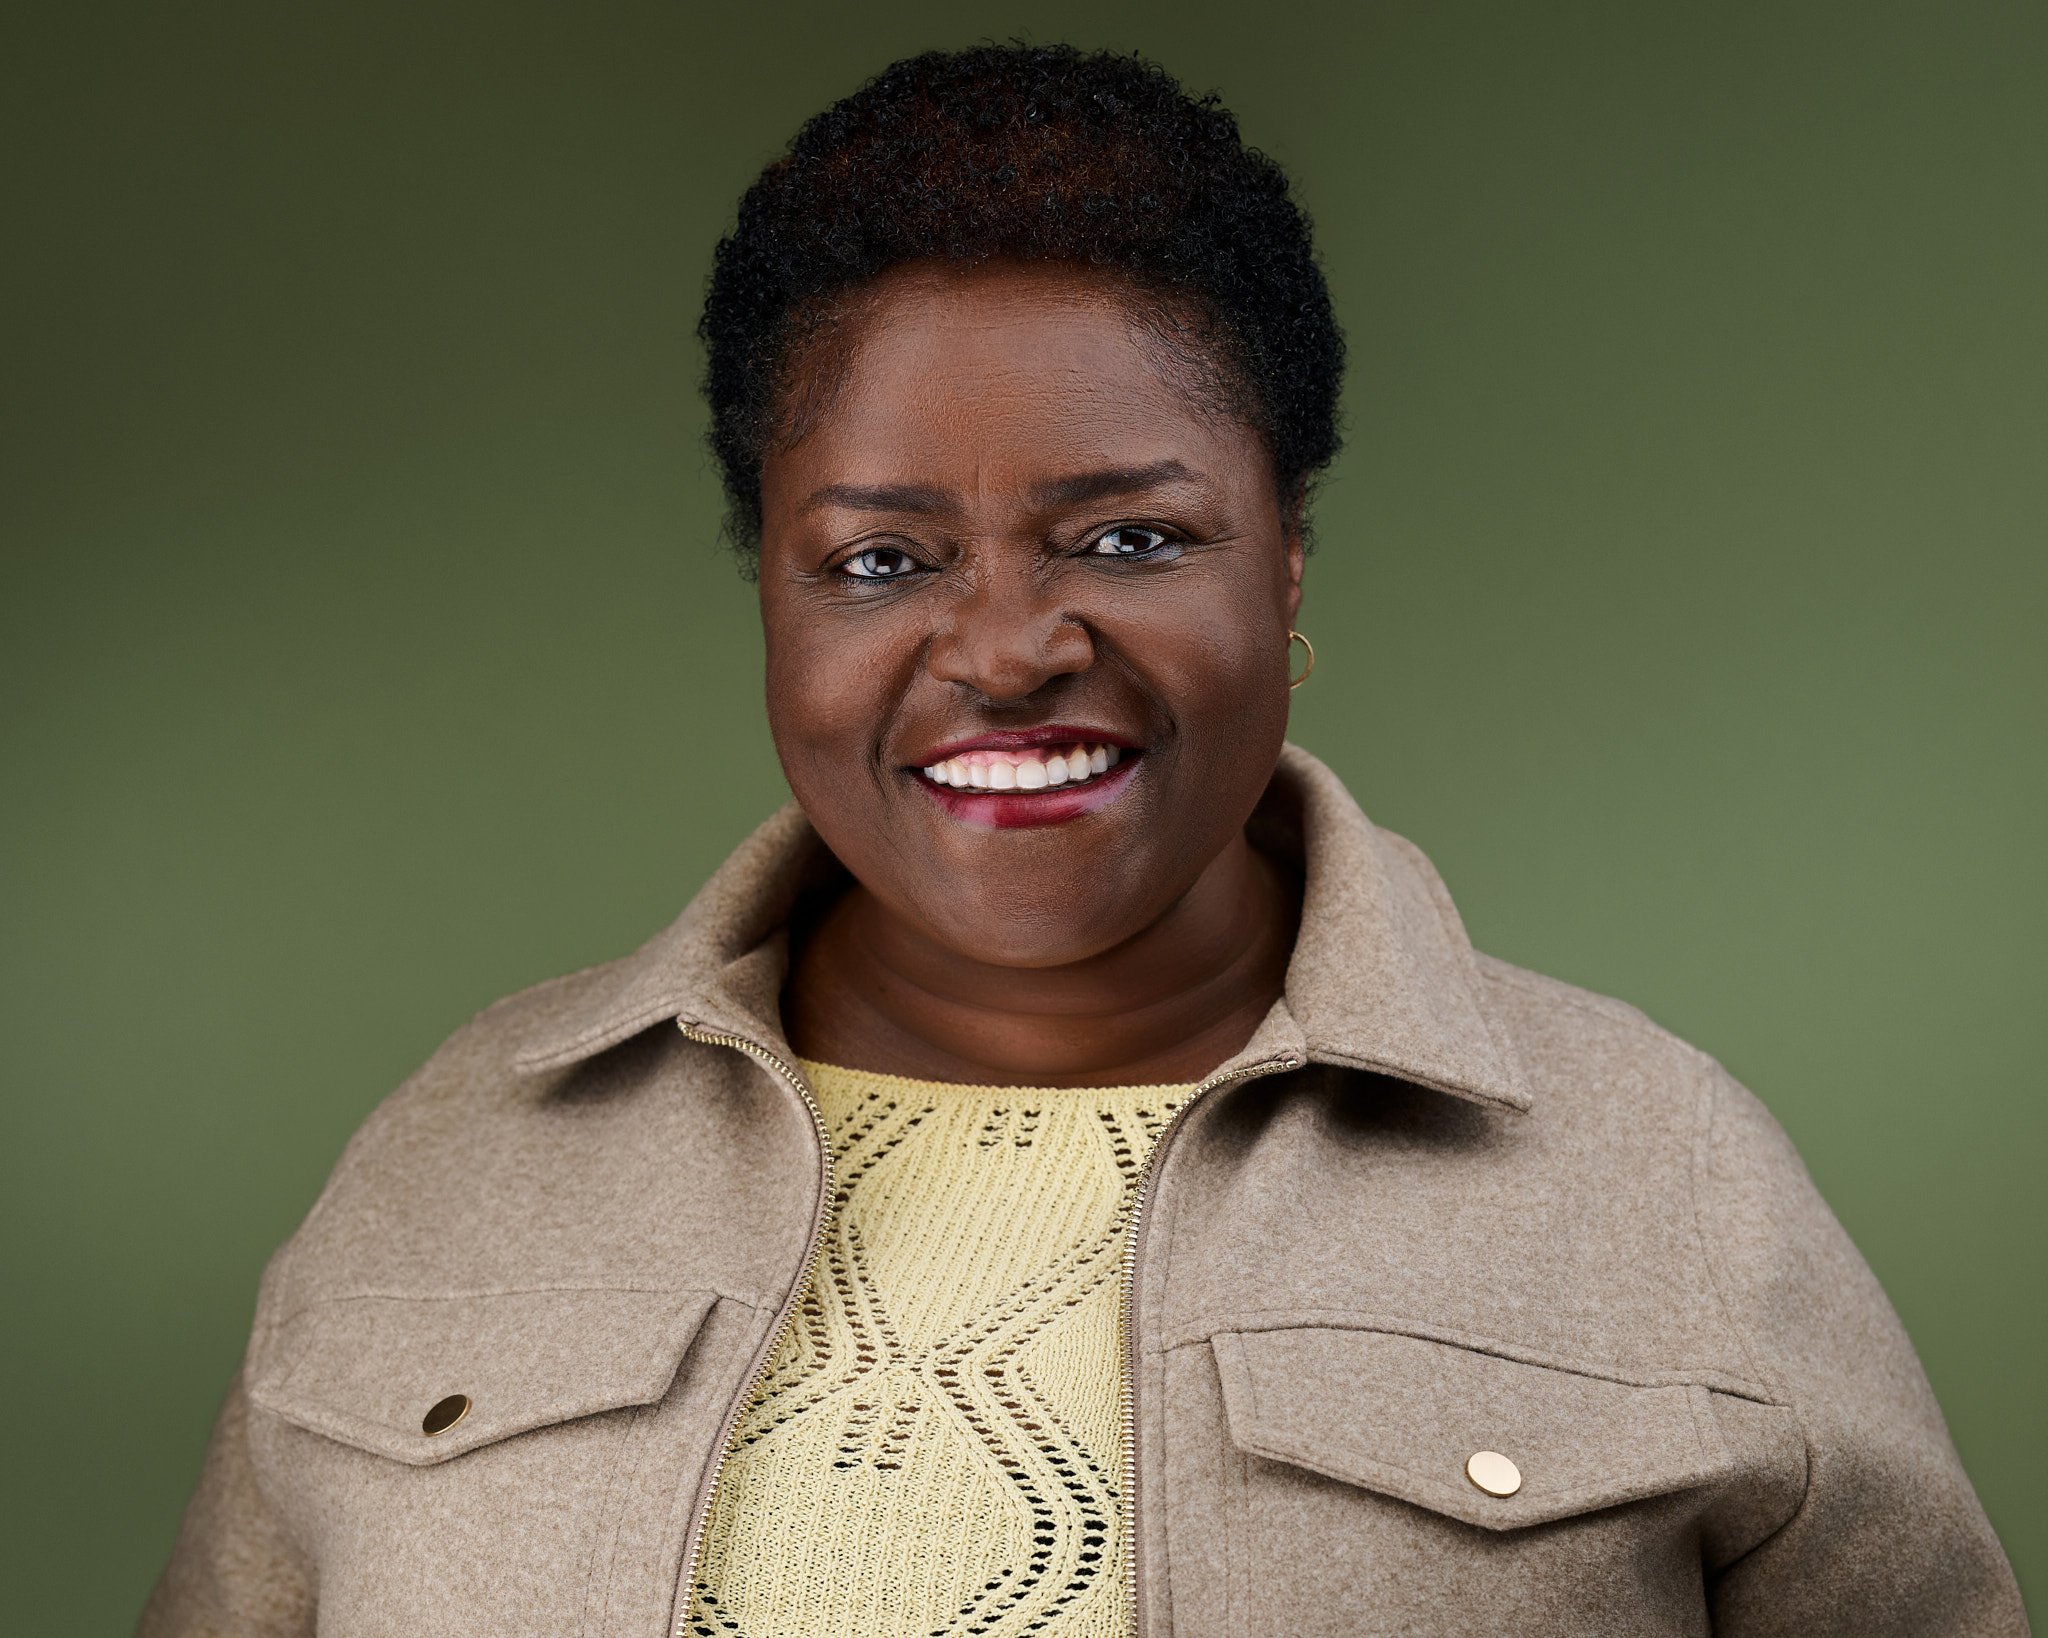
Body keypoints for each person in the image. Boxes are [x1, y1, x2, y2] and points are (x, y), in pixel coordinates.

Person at [140, 43, 2026, 1638]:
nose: (1009, 648)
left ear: (1283, 566)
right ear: (775, 604)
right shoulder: (453, 1158)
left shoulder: (1664, 1175)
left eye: (1128, 537)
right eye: (882, 560)